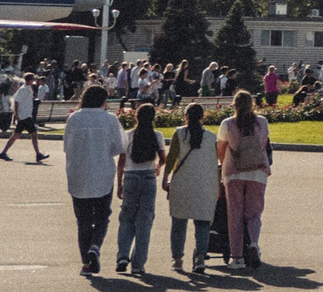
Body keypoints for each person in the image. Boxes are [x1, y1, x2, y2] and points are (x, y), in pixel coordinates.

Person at [62, 84, 127, 276]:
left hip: (78, 175)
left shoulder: (74, 118)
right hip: (102, 174)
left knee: (82, 221)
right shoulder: (110, 119)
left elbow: (67, 147)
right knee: (102, 217)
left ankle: (86, 263)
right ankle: (95, 247)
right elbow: (118, 147)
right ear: (103, 101)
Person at [217, 90, 273, 270]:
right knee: (254, 213)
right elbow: (263, 144)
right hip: (258, 171)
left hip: (233, 172)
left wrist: (223, 163)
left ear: (234, 104)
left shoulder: (228, 124)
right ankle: (254, 243)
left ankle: (237, 257)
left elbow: (221, 149)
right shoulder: (262, 122)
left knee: (234, 214)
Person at [164, 102, 219, 279]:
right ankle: (200, 258)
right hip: (204, 184)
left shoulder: (179, 134)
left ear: (186, 116)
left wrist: (165, 178)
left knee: (179, 223)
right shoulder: (211, 137)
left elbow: (172, 158)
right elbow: (213, 164)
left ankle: (178, 260)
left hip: (182, 182)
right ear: (203, 117)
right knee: (202, 223)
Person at [115, 101, 164, 278]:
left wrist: (119, 183)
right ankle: (138, 264)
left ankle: (122, 256)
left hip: (131, 177)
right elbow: (163, 158)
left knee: (126, 218)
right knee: (144, 222)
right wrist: (158, 166)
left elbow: (121, 162)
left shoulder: (128, 136)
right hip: (149, 177)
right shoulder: (156, 135)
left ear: (136, 117)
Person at [0, 72, 45, 163]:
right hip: (24, 116)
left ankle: (3, 152)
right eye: (33, 79)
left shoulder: (27, 89)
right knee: (34, 134)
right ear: (30, 80)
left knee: (16, 134)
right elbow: (16, 101)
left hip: (25, 114)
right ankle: (38, 154)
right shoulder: (24, 89)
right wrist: (16, 114)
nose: (34, 81)